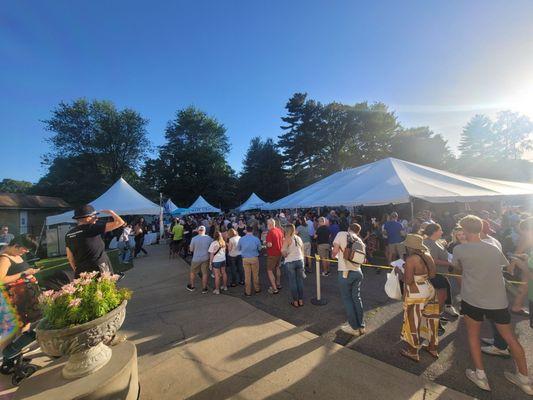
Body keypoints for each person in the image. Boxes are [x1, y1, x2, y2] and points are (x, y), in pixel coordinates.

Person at [453, 215, 532, 394]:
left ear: (464, 230)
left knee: (473, 335)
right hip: (497, 300)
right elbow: (502, 265)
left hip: (472, 298)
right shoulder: (494, 246)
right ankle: (524, 380)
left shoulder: (460, 249)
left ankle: (481, 376)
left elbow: (457, 268)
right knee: (511, 338)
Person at [398, 234, 439, 362]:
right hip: (429, 289)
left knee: (412, 322)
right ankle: (432, 348)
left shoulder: (411, 259)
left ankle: (413, 351)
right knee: (431, 320)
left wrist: (400, 273)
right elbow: (432, 275)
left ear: (410, 246)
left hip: (416, 292)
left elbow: (408, 281)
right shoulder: (427, 256)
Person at [65, 205, 125, 277]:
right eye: (94, 215)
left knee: (88, 288)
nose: (97, 218)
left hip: (81, 270)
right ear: (87, 218)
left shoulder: (68, 234)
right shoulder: (92, 228)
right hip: (99, 267)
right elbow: (120, 222)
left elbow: (69, 257)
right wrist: (111, 213)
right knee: (105, 287)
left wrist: (77, 270)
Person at [332, 222, 366, 336]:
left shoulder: (341, 234)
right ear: (358, 232)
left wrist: (334, 254)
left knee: (347, 299)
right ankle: (361, 325)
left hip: (345, 272)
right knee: (357, 298)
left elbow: (334, 252)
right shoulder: (360, 241)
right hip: (358, 272)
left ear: (349, 228)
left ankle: (354, 327)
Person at [0, 240, 41, 332]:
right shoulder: (5, 259)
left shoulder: (16, 255)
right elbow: (1, 280)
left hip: (27, 297)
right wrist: (24, 273)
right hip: (18, 299)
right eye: (25, 249)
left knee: (30, 321)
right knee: (22, 323)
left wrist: (30, 273)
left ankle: (28, 335)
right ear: (16, 246)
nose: (26, 252)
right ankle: (19, 342)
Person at [423, 224, 459, 325]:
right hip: (435, 274)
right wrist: (450, 263)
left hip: (441, 273)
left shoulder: (436, 241)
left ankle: (438, 315)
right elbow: (433, 260)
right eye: (440, 230)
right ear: (434, 232)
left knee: (444, 291)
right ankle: (433, 320)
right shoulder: (428, 242)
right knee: (438, 298)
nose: (442, 232)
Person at [282, 224, 305, 308]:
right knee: (300, 281)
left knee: (293, 282)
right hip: (300, 260)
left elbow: (284, 253)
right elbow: (302, 250)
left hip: (290, 261)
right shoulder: (298, 238)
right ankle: (301, 300)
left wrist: (286, 253)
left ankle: (295, 302)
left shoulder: (287, 239)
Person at [237, 226, 262, 296]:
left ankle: (248, 291)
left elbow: (238, 248)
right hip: (254, 257)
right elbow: (260, 248)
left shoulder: (241, 239)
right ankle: (257, 289)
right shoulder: (256, 239)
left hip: (245, 258)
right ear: (252, 231)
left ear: (246, 231)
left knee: (247, 276)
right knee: (255, 275)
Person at [187, 226, 213, 293]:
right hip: (205, 257)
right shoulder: (209, 238)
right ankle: (204, 288)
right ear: (205, 231)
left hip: (196, 258)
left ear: (198, 231)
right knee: (204, 273)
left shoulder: (194, 239)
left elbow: (191, 249)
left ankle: (192, 286)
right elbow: (212, 247)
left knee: (193, 272)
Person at [265, 219, 284, 294]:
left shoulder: (270, 232)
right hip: (279, 252)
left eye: (267, 224)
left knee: (269, 270)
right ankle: (278, 284)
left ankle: (274, 288)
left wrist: (265, 243)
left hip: (272, 254)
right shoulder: (279, 230)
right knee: (277, 267)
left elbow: (270, 245)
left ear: (269, 224)